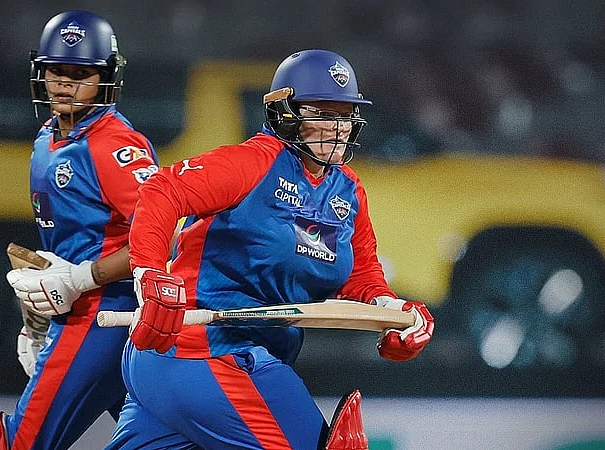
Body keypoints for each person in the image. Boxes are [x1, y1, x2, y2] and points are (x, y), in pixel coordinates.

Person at [106, 49, 435, 449]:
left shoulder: (347, 191)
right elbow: (163, 191)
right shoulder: (252, 163)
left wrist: (392, 311)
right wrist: (149, 274)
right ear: (287, 114)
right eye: (322, 113)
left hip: (184, 364)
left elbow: (360, 272)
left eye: (345, 114)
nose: (338, 128)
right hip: (206, 353)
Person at [0, 10, 159, 450]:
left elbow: (163, 236)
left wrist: (82, 279)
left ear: (106, 77)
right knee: (153, 442)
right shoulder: (47, 138)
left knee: (22, 441)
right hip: (78, 311)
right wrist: (37, 321)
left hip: (107, 312)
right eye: (58, 70)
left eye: (81, 73)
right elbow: (61, 248)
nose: (65, 82)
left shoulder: (114, 144)